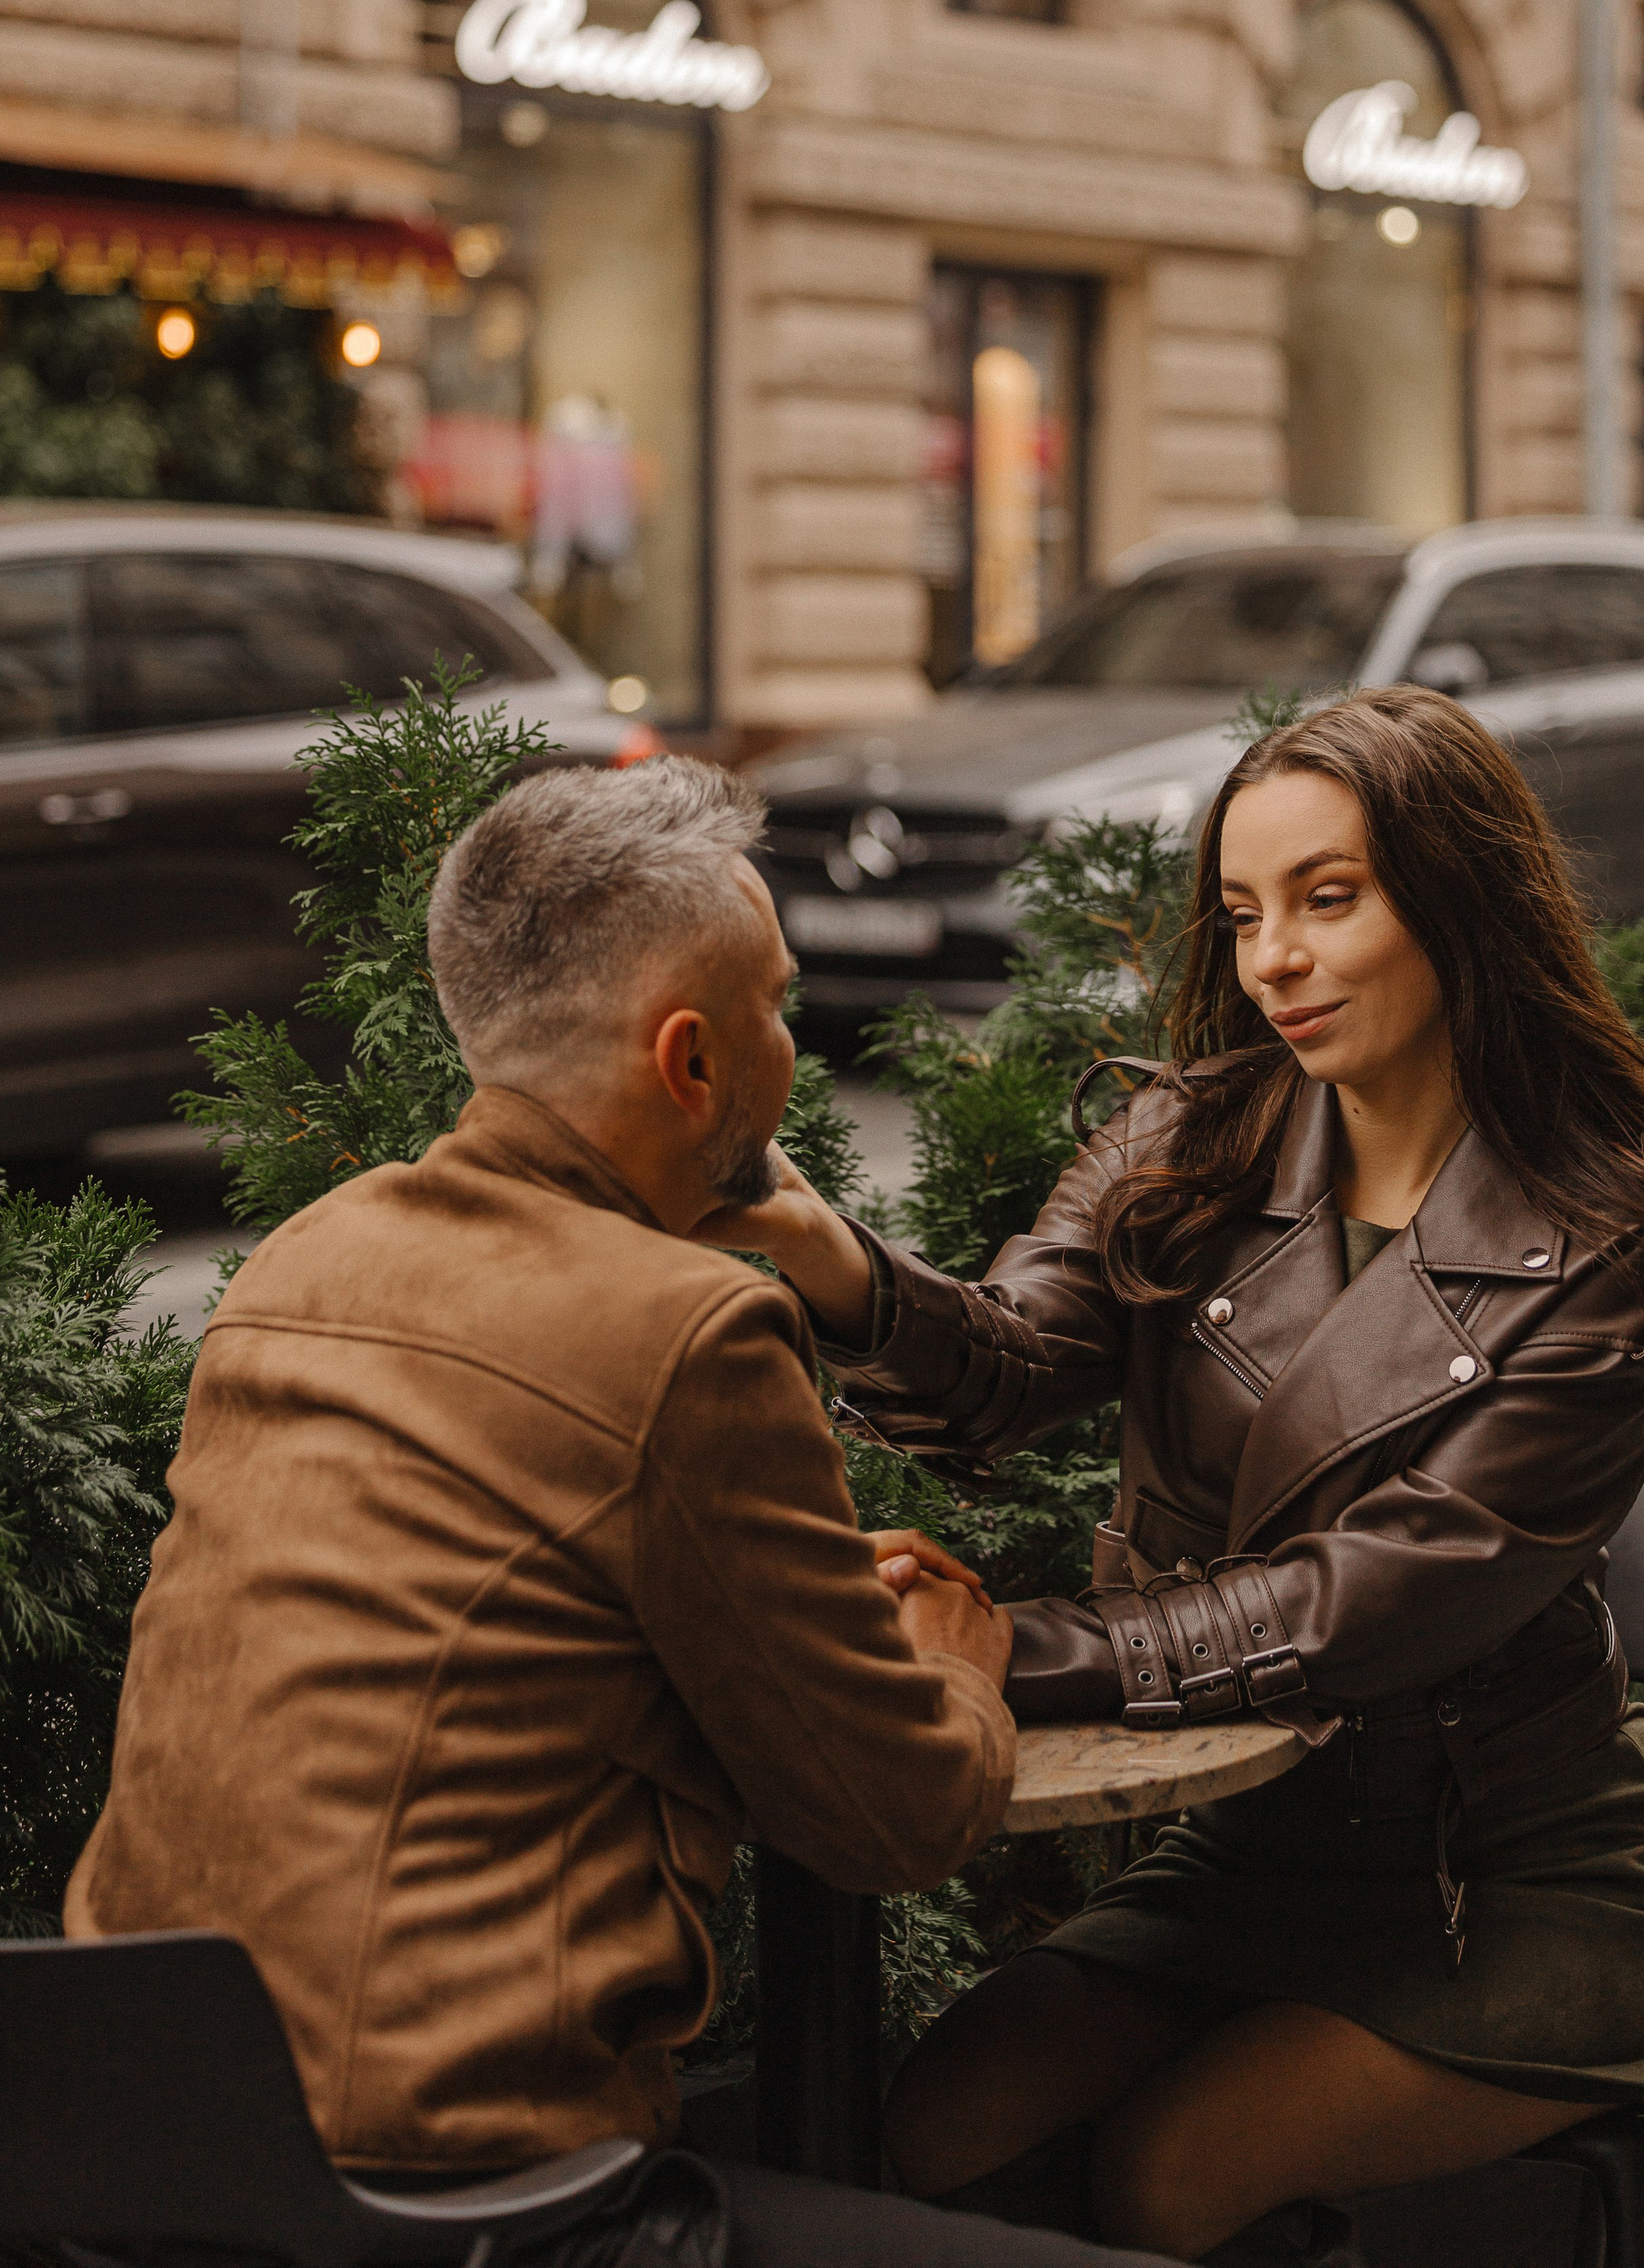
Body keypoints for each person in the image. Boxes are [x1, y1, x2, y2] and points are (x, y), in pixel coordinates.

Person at [64, 757, 1175, 2268]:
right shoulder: (688, 1331)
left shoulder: (300, 1265)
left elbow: (477, 1612)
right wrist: (952, 1655)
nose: (793, 1046)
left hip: (130, 2158)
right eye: (776, 1007)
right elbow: (893, 1817)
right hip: (458, 2192)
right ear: (689, 1061)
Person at [711, 688, 1644, 2263]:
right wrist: (813, 1246)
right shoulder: (1193, 1137)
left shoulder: (1600, 1245)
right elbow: (1006, 1365)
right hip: (1256, 1855)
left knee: (1171, 2172)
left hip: (1521, 1876)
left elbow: (1359, 1608)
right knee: (929, 2127)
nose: (1273, 960)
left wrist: (1000, 1649)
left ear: (1458, 901)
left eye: (1328, 900)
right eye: (1246, 913)